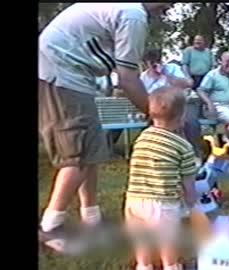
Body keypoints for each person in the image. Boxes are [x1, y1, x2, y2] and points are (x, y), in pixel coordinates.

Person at [38, 2, 173, 251]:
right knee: (77, 156)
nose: (169, 7)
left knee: (93, 149)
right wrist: (158, 117)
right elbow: (127, 79)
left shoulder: (126, 9)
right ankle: (49, 228)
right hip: (60, 73)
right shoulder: (134, 15)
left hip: (73, 76)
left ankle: (92, 219)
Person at [125, 86, 197, 270]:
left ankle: (144, 266)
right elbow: (188, 181)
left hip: (133, 200)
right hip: (161, 204)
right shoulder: (183, 146)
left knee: (142, 244)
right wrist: (191, 203)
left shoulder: (142, 137)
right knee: (168, 246)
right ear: (181, 116)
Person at [140, 49, 203, 162]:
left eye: (158, 60)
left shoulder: (172, 68)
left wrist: (165, 74)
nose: (155, 64)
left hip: (182, 102)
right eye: (151, 62)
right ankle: (162, 156)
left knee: (190, 122)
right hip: (161, 108)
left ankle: (195, 155)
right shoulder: (144, 77)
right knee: (153, 125)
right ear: (145, 63)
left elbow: (187, 84)